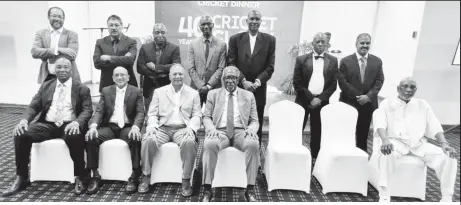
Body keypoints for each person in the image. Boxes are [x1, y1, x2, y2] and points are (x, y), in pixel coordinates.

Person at [2, 57, 92, 197]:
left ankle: (80, 176)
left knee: (75, 135)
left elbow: (87, 110)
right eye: (59, 67)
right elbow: (34, 105)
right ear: (54, 69)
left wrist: (77, 122)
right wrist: (24, 120)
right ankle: (22, 177)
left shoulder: (82, 88)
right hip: (48, 124)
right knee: (20, 133)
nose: (62, 70)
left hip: (69, 124)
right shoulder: (46, 86)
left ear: (71, 69)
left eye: (65, 67)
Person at [372, 77, 458, 202]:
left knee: (449, 156)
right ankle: (384, 195)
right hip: (396, 143)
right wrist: (385, 140)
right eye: (405, 86)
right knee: (388, 153)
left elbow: (434, 124)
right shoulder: (387, 103)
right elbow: (380, 124)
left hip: (418, 144)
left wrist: (444, 143)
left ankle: (447, 197)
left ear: (416, 90)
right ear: (398, 89)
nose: (408, 90)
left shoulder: (422, 104)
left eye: (412, 87)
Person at [138, 64, 201, 196]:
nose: (178, 76)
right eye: (175, 74)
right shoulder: (159, 92)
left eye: (180, 74)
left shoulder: (193, 93)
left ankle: (186, 179)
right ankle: (146, 176)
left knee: (189, 142)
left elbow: (197, 115)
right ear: (169, 76)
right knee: (148, 139)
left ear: (184, 76)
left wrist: (191, 128)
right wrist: (151, 127)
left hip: (182, 129)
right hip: (163, 128)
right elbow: (152, 113)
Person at [201, 66, 260, 202]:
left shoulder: (248, 95)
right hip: (220, 131)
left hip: (241, 131)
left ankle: (250, 190)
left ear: (238, 79)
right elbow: (206, 117)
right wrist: (211, 129)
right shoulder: (213, 94)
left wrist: (251, 129)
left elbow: (255, 120)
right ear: (222, 79)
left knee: (253, 144)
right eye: (227, 77)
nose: (230, 81)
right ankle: (207, 189)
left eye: (233, 77)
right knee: (209, 143)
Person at [84, 66, 145, 195]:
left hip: (127, 126)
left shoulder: (136, 91)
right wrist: (94, 126)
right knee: (91, 137)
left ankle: (134, 175)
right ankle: (95, 175)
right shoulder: (106, 91)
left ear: (128, 77)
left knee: (135, 137)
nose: (119, 77)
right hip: (110, 127)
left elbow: (140, 112)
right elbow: (99, 111)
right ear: (112, 78)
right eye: (116, 75)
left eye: (122, 75)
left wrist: (136, 127)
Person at [228, 10, 276, 147]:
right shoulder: (235, 39)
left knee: (257, 121)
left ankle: (256, 154)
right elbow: (231, 63)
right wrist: (243, 81)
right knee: (238, 119)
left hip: (259, 89)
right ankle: (237, 149)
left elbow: (270, 66)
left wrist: (257, 82)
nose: (254, 21)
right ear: (246, 21)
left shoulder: (270, 40)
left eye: (257, 19)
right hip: (238, 87)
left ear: (261, 21)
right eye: (252, 19)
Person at [293, 32, 338, 159]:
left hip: (322, 102)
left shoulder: (333, 60)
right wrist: (311, 98)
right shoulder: (301, 59)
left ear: (326, 44)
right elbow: (297, 82)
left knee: (318, 131)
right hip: (303, 100)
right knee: (298, 129)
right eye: (317, 41)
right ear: (312, 43)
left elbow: (333, 84)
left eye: (322, 42)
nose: (320, 44)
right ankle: (295, 154)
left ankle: (315, 158)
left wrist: (319, 99)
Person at [338, 33, 384, 152]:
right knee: (346, 131)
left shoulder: (377, 61)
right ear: (356, 44)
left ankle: (361, 157)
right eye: (362, 43)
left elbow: (379, 81)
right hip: (349, 102)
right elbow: (342, 82)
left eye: (367, 43)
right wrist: (359, 96)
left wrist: (368, 97)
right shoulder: (345, 61)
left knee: (363, 133)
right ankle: (345, 154)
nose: (364, 45)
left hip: (368, 104)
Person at [137, 23, 181, 110]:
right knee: (150, 116)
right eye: (157, 32)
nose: (160, 35)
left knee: (166, 116)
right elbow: (139, 67)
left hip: (167, 88)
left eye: (163, 32)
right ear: (153, 34)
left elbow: (176, 67)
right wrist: (156, 75)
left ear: (166, 34)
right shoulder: (145, 48)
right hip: (149, 88)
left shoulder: (174, 48)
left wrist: (155, 68)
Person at [32, 6, 81, 84]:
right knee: (47, 96)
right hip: (47, 76)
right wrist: (58, 50)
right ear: (48, 17)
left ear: (63, 19)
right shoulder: (40, 33)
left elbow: (72, 56)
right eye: (54, 16)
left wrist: (45, 53)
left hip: (67, 75)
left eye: (60, 17)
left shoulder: (72, 34)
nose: (57, 19)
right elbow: (34, 52)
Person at [188, 15, 227, 106]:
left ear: (213, 25)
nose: (206, 27)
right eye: (203, 24)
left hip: (214, 89)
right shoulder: (193, 44)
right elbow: (191, 68)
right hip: (196, 89)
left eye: (208, 24)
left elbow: (221, 68)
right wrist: (201, 86)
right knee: (195, 117)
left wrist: (209, 86)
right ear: (199, 27)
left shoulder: (221, 44)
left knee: (214, 118)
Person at [93, 15, 138, 92]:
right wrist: (123, 59)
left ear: (122, 26)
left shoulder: (131, 42)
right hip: (107, 85)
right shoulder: (100, 42)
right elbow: (97, 64)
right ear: (108, 27)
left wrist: (109, 58)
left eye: (116, 25)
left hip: (128, 85)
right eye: (111, 25)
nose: (113, 28)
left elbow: (130, 60)